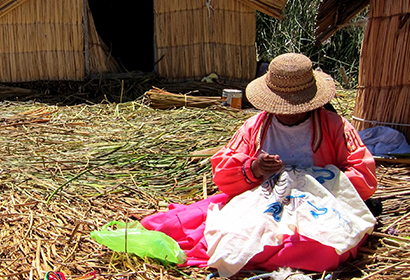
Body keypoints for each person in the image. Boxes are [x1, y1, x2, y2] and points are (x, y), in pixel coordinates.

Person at [142, 53, 377, 276]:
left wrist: (312, 182)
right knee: (224, 235)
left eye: (296, 106)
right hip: (261, 202)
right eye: (279, 106)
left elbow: (363, 175)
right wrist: (254, 168)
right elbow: (223, 172)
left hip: (318, 206)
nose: (287, 112)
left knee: (325, 246)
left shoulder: (335, 126)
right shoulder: (255, 128)